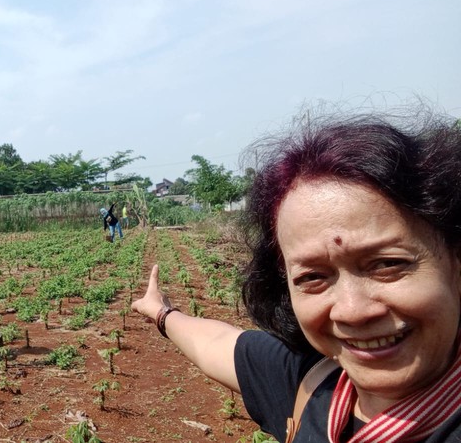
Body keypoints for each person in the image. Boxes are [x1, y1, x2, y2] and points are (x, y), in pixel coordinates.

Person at [132, 109, 461, 442]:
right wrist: (162, 312)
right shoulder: (315, 380)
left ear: (456, 262)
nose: (352, 310)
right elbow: (219, 343)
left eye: (387, 264)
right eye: (312, 277)